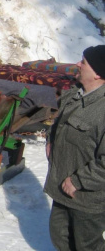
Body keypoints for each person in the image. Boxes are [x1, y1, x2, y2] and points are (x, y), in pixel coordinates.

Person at [44, 45, 105, 251]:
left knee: (87, 246)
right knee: (59, 237)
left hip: (87, 197)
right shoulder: (72, 96)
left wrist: (78, 181)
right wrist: (49, 141)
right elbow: (55, 124)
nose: (77, 65)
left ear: (98, 73)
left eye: (84, 62)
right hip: (62, 189)